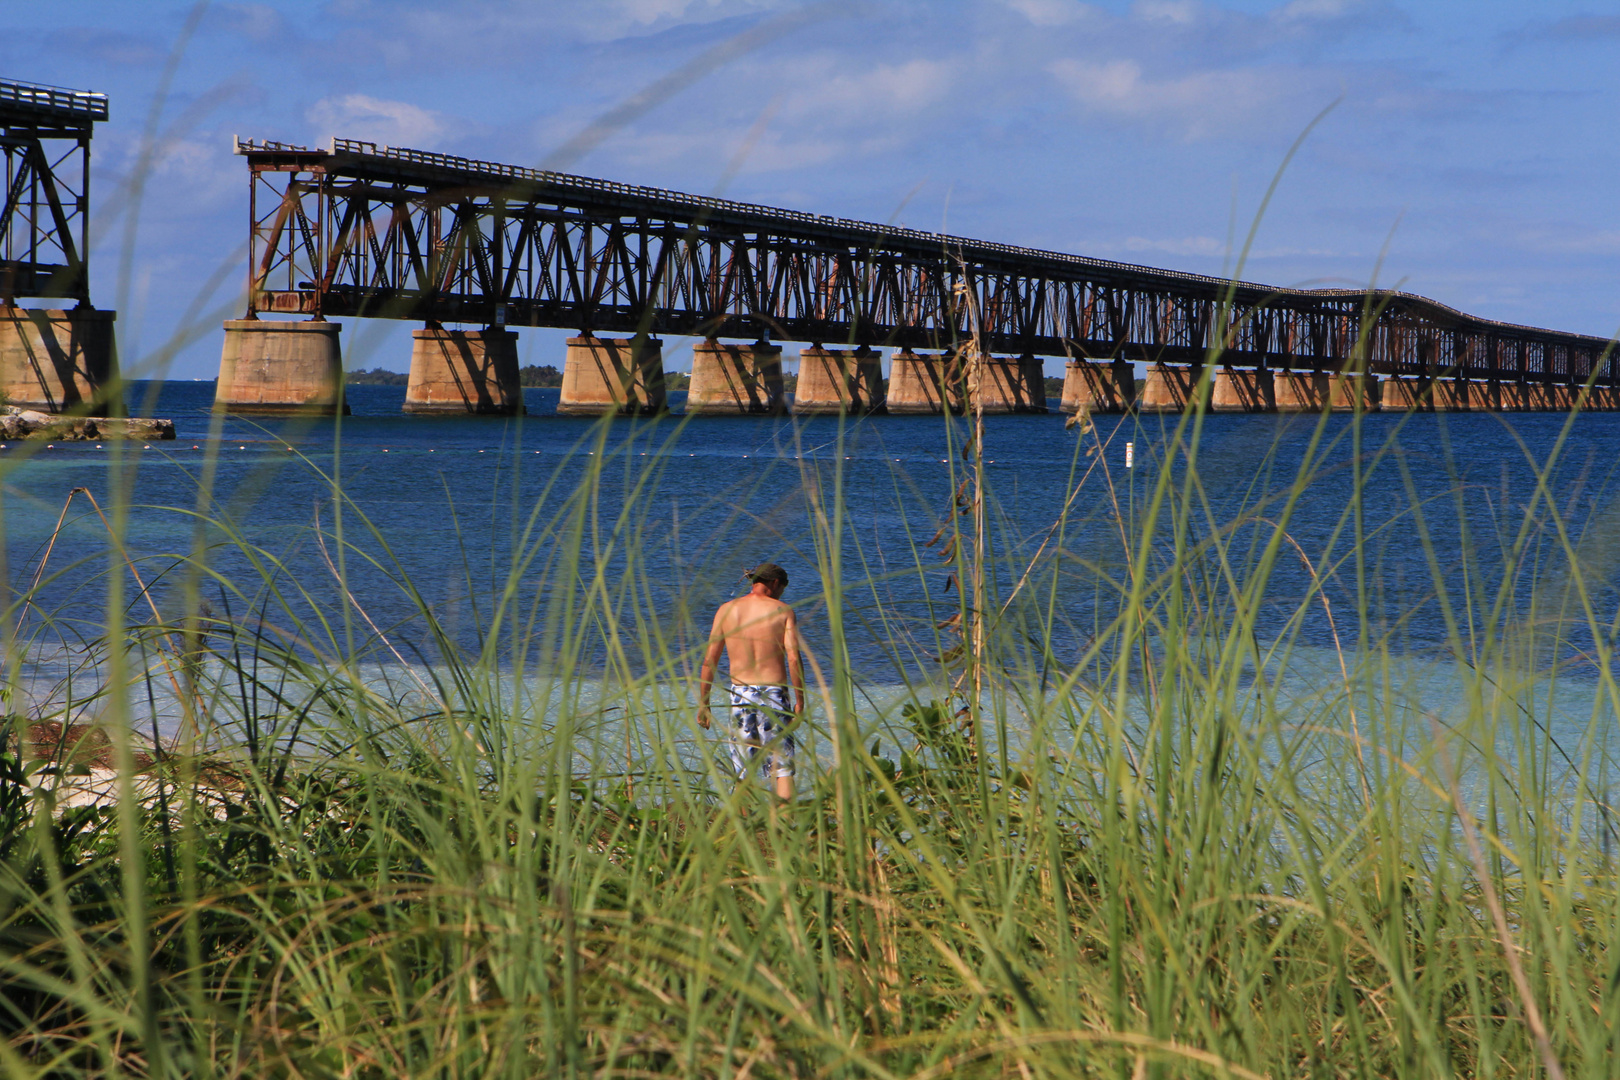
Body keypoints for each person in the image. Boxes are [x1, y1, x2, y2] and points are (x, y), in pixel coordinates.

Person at [697, 562, 805, 800]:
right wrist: (799, 701)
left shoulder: (726, 610)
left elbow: (709, 661)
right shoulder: (783, 611)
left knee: (743, 770)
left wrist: (704, 703)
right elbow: (794, 659)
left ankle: (744, 830)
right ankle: (785, 828)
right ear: (775, 584)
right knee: (782, 768)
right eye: (782, 590)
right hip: (775, 694)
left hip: (741, 694)